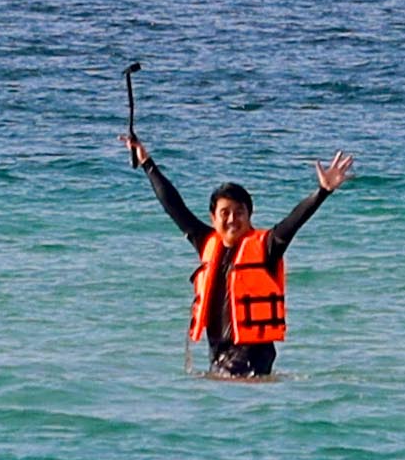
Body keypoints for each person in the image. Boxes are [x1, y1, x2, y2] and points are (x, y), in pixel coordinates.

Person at [125, 131, 354, 377]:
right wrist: (147, 164)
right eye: (225, 213)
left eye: (239, 212)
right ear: (213, 218)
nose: (232, 219)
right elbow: (174, 206)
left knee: (226, 385)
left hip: (253, 351)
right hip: (218, 352)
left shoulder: (266, 246)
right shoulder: (206, 243)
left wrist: (322, 192)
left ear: (249, 215)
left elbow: (293, 223)